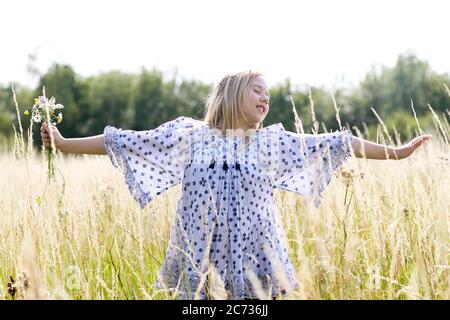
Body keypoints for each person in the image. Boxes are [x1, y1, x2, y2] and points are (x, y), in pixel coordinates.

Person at [40, 70, 432, 300]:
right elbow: (125, 140)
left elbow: (339, 143)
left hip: (260, 262)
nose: (266, 98)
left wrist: (397, 152)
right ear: (231, 94)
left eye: (269, 95)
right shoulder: (189, 136)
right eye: (257, 90)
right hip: (201, 261)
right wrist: (62, 143)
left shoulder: (271, 141)